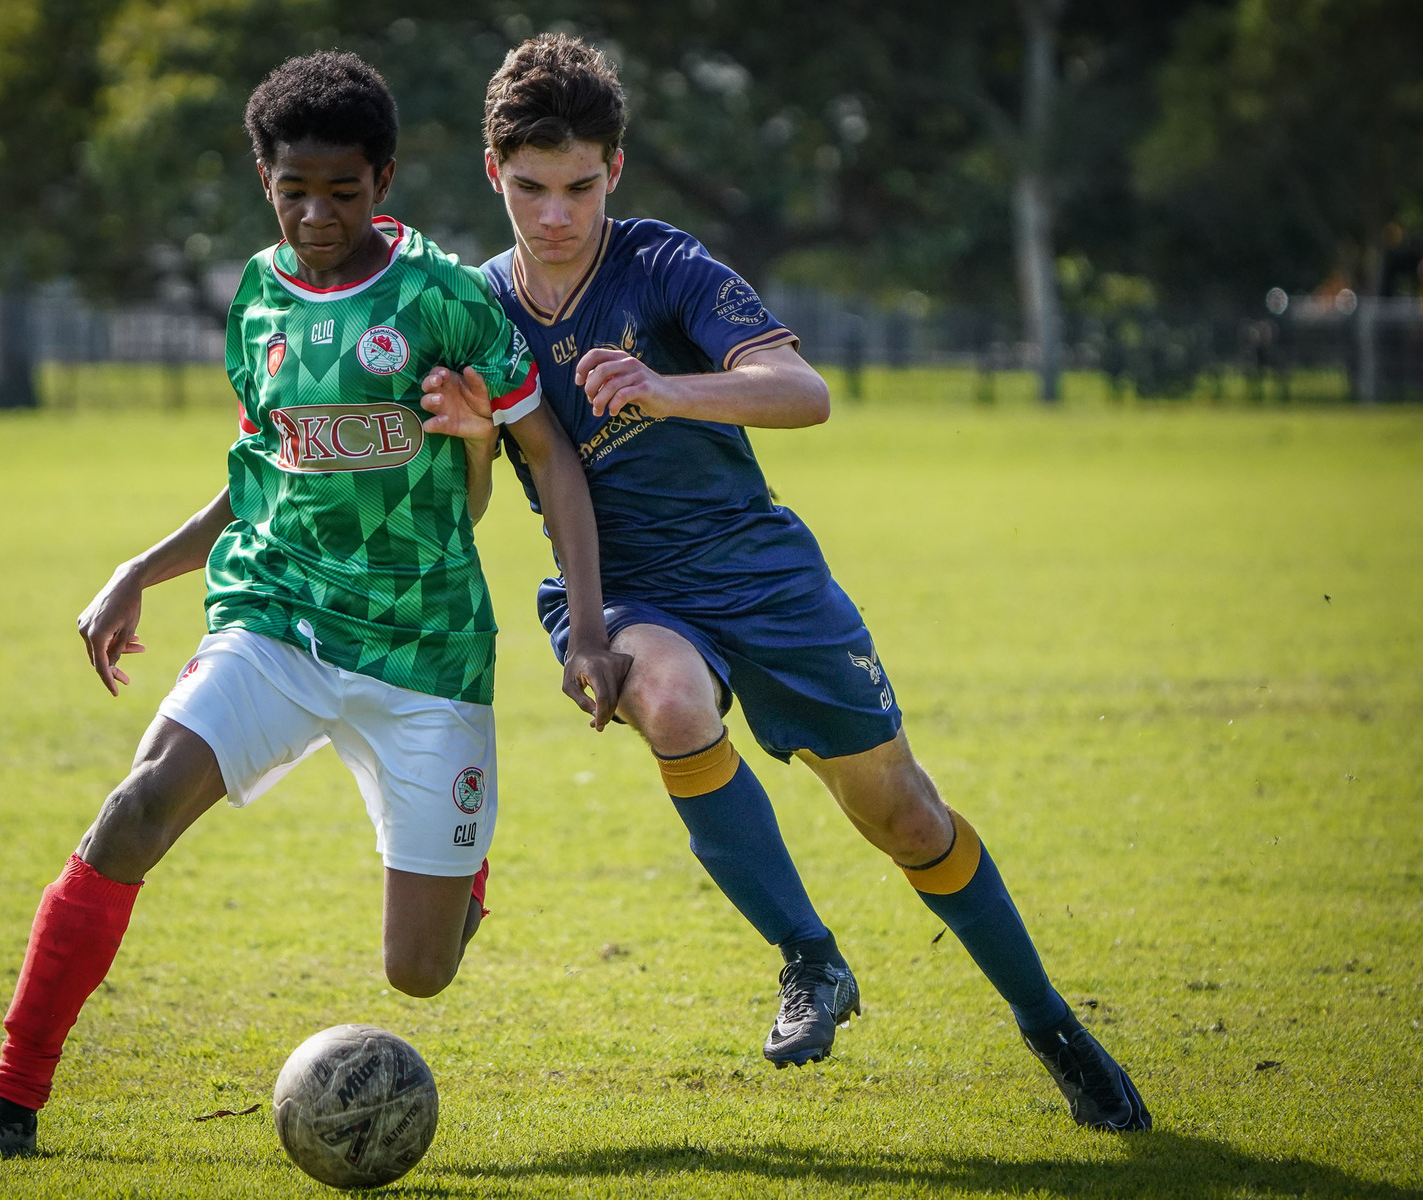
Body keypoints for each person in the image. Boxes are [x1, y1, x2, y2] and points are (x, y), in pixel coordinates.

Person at [0, 50, 628, 1159]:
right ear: (263, 177)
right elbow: (259, 469)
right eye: (295, 190)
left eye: (344, 191)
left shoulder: (444, 301)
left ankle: (462, 870)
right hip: (274, 617)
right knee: (131, 814)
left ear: (383, 180)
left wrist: (589, 625)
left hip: (424, 653)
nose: (318, 212)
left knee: (419, 974)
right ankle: (11, 1104)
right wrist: (139, 569)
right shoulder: (254, 296)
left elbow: (553, 462)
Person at [423, 34, 1150, 1132]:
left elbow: (802, 392)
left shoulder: (663, 265)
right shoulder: (477, 308)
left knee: (904, 819)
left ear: (614, 170)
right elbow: (479, 501)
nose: (556, 214)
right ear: (494, 172)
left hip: (763, 576)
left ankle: (1049, 1021)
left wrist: (669, 390)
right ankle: (811, 958)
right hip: (626, 591)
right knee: (666, 699)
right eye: (531, 189)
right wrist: (477, 439)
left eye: (579, 187)